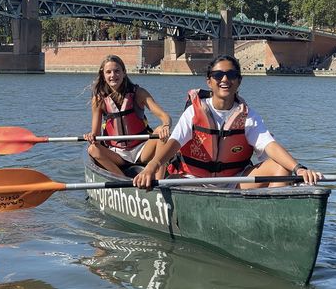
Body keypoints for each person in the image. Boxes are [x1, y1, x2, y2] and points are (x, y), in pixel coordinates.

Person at [133, 54, 322, 190]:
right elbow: (174, 143)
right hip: (192, 180)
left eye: (231, 75)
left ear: (239, 81)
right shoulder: (193, 112)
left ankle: (268, 218)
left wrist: (299, 169)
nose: (225, 79)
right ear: (209, 82)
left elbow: (269, 146)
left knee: (282, 167)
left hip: (234, 181)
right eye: (218, 76)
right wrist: (151, 166)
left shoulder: (248, 116)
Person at [84, 55, 171, 177]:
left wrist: (166, 125)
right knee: (93, 149)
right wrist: (91, 136)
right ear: (103, 75)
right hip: (117, 154)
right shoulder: (99, 100)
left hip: (142, 150)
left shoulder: (139, 93)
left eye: (117, 71)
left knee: (161, 131)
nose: (113, 75)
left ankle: (159, 182)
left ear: (124, 73)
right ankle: (122, 180)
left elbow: (164, 116)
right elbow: (96, 135)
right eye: (108, 72)